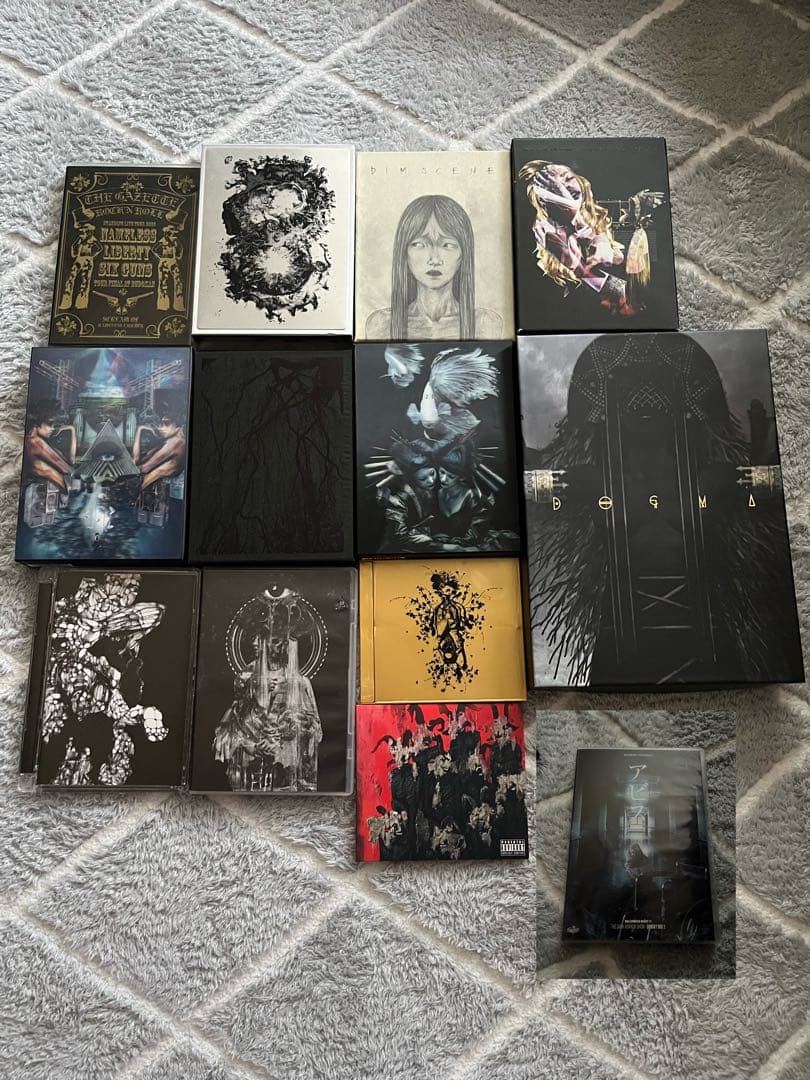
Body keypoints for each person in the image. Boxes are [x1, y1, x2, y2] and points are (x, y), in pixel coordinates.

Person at [365, 194, 503, 340]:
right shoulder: (381, 325)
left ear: (464, 254)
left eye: (447, 245)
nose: (435, 259)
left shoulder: (486, 324)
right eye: (420, 244)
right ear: (404, 252)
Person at [518, 160, 635, 316]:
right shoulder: (548, 245)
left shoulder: (615, 217)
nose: (565, 189)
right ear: (542, 201)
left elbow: (618, 263)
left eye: (568, 178)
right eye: (553, 189)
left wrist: (575, 215)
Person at [24, 401, 76, 490]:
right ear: (37, 422)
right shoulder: (36, 442)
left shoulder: (34, 440)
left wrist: (72, 429)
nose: (52, 428)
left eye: (54, 425)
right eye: (49, 424)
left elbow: (71, 462)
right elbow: (69, 469)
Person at [132, 412, 186, 488]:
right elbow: (136, 462)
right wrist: (139, 429)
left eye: (167, 424)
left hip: (151, 489)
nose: (161, 428)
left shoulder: (175, 442)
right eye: (161, 424)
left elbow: (142, 468)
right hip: (147, 486)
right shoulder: (171, 441)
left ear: (178, 426)